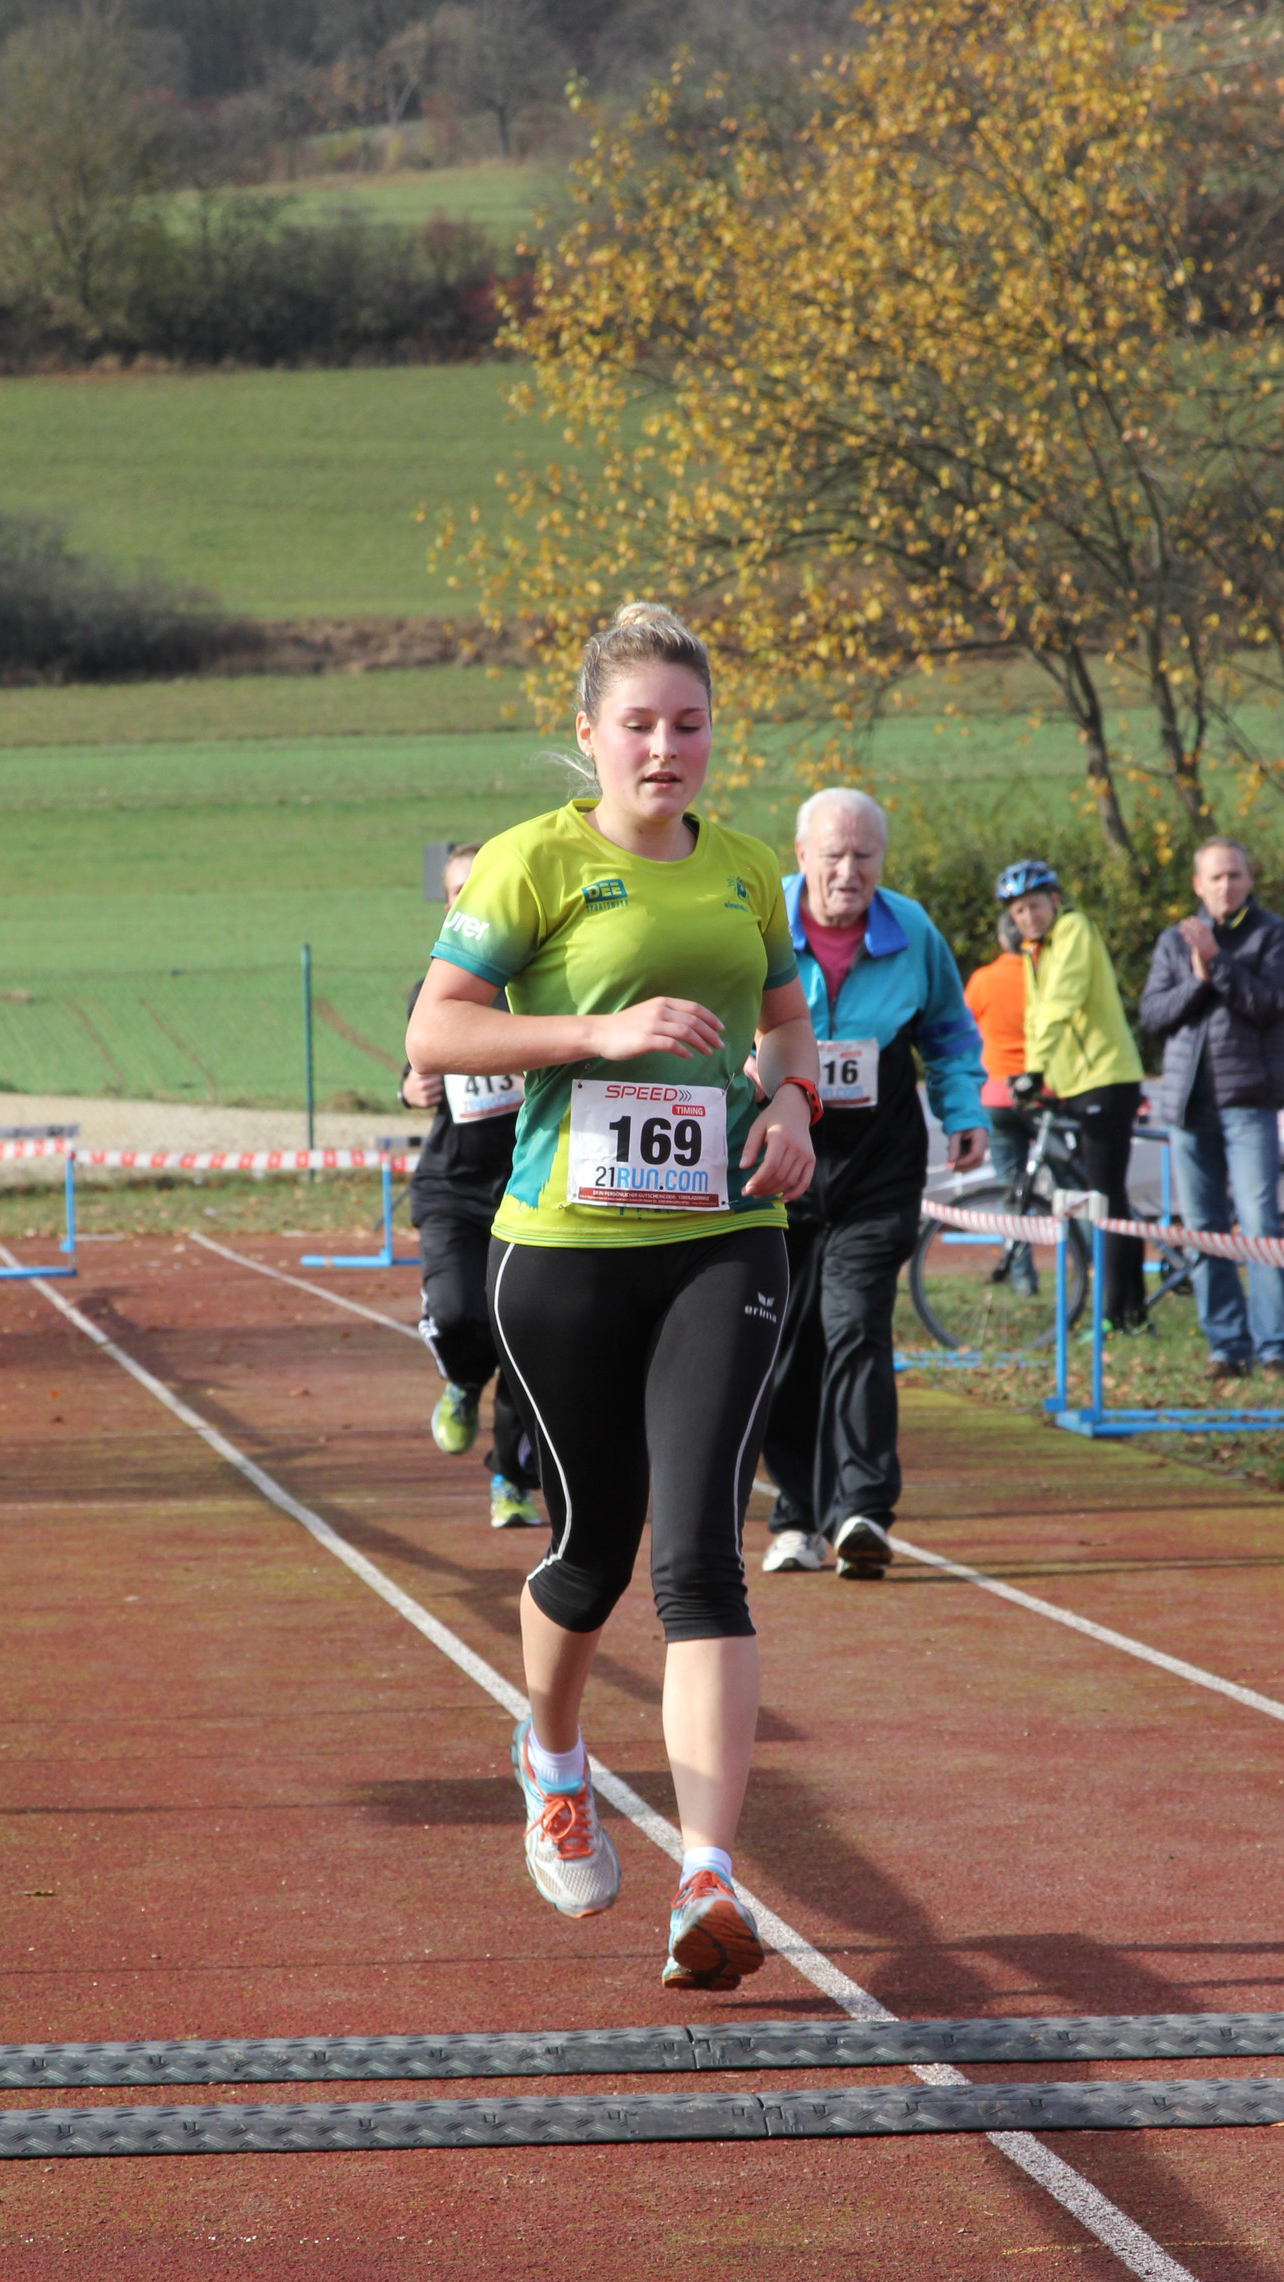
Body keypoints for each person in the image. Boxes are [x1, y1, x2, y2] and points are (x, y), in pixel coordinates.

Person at [406, 601, 820, 1992]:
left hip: (726, 1237)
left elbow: (786, 1024)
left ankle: (708, 1878)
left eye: (688, 724)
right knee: (594, 1549)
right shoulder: (533, 860)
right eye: (638, 725)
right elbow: (436, 1027)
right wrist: (602, 1030)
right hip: (565, 1250)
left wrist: (795, 1107)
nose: (664, 748)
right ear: (588, 737)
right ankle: (554, 1753)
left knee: (701, 1555)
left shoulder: (748, 870)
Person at [759, 788, 986, 1581]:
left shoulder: (912, 930)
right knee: (785, 1342)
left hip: (876, 1161)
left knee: (856, 1323)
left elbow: (950, 1033)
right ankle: (797, 1514)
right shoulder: (757, 921)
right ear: (802, 857)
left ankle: (861, 1509)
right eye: (833, 856)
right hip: (779, 1157)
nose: (848, 872)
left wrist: (964, 1111)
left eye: (865, 856)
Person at [401, 842, 544, 1529]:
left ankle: (510, 1481)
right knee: (461, 1315)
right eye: (455, 890)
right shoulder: (431, 989)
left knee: (524, 1341)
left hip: (530, 1186)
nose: (466, 900)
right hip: (454, 1187)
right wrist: (409, 1089)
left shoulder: (540, 985)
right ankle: (460, 1379)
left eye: (477, 886)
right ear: (446, 904)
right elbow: (414, 1074)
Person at [1138, 838, 1284, 1378]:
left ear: (1250, 879)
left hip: (1248, 1100)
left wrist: (1218, 963)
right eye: (1215, 877)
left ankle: (1275, 1348)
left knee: (1259, 1222)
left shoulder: (1273, 933)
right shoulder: (1172, 941)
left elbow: (1272, 1003)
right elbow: (1153, 1015)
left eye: (1234, 875)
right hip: (1188, 1104)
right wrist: (1197, 980)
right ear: (1197, 885)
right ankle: (1225, 1347)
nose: (1225, 886)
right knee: (1203, 1227)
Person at [1002, 858, 1148, 1332]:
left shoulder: (1073, 930)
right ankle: (1132, 1309)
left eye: (1035, 906)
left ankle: (1117, 1314)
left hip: (1105, 1076)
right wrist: (1033, 1072)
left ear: (1054, 901)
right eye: (1019, 911)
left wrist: (1037, 1068)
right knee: (1105, 1196)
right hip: (1073, 1083)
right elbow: (1035, 1017)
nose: (1028, 917)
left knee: (1104, 1198)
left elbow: (1062, 1000)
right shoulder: (1035, 950)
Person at [964, 910, 1035, 1289]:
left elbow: (962, 1031)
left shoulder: (983, 980)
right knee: (1072, 1188)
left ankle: (1022, 1277)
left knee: (1011, 1190)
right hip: (1040, 1094)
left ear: (1001, 939)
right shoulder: (1040, 974)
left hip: (995, 1094)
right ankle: (1094, 1265)